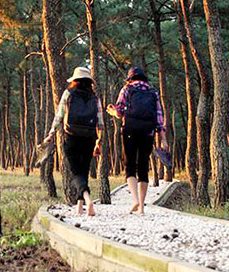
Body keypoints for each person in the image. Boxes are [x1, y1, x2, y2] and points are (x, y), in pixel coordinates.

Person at [43, 67, 103, 216]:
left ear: (74, 80)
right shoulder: (94, 97)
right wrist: (98, 142)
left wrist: (51, 132)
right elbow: (100, 122)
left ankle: (88, 200)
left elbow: (59, 116)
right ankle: (79, 206)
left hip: (72, 136)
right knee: (84, 170)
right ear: (89, 82)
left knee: (76, 171)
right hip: (89, 137)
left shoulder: (68, 93)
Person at [107, 67, 167, 215]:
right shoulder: (153, 92)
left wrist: (112, 111)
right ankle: (141, 207)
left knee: (130, 165)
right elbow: (159, 118)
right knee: (143, 166)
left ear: (130, 78)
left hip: (130, 130)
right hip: (148, 131)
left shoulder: (127, 89)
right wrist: (163, 140)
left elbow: (120, 112)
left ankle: (135, 200)